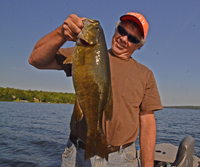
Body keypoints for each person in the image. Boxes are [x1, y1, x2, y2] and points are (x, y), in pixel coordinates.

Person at [29, 12, 163, 167]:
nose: (124, 39)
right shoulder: (83, 52)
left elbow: (147, 122)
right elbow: (35, 60)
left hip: (122, 158)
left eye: (132, 38)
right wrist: (61, 33)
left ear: (139, 45)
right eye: (122, 31)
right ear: (116, 30)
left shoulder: (145, 75)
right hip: (78, 152)